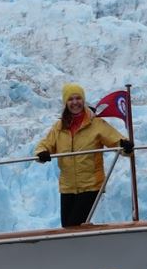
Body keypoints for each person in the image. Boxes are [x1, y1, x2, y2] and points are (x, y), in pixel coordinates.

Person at [35, 83, 133, 228]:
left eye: (78, 98)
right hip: (68, 187)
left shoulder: (96, 124)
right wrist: (42, 153)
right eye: (70, 99)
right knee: (68, 227)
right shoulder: (59, 127)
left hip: (90, 185)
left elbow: (116, 140)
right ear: (65, 103)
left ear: (83, 100)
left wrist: (126, 146)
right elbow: (45, 144)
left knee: (73, 225)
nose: (75, 102)